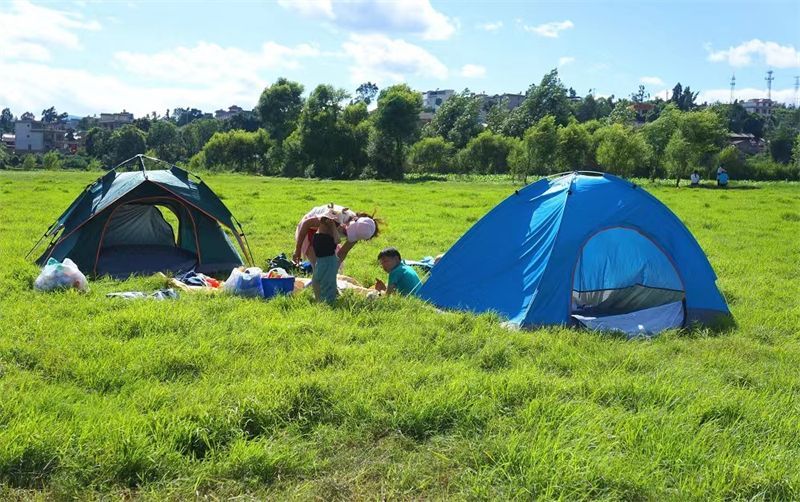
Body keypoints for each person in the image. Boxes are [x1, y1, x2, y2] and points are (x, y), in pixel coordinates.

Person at [293, 203, 378, 266]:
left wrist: (333, 270)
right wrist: (298, 249)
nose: (348, 235)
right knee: (318, 265)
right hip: (310, 228)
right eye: (347, 232)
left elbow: (343, 252)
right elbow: (306, 223)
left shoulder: (359, 231)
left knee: (332, 265)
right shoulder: (336, 215)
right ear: (354, 220)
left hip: (328, 235)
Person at [311, 214, 339, 303]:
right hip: (320, 261)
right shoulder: (317, 235)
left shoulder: (330, 235)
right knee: (316, 281)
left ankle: (329, 301)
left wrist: (333, 226)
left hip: (330, 261)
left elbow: (338, 240)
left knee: (328, 282)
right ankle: (319, 300)